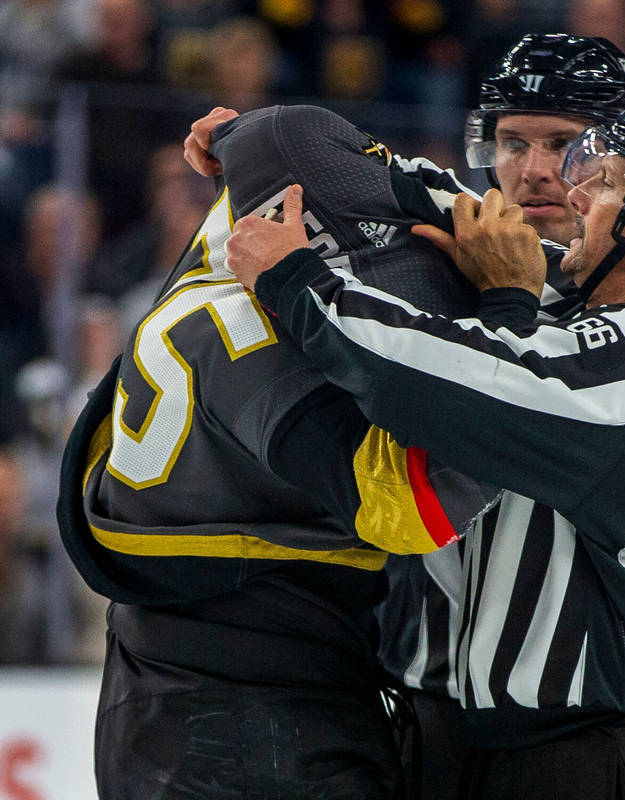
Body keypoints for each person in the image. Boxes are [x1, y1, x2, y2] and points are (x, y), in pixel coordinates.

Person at [225, 93, 625, 800]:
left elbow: (440, 381)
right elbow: (465, 212)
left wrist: (295, 282)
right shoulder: (588, 309)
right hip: (516, 756)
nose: (575, 193)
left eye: (606, 183)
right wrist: (256, 140)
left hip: (614, 763)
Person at [57, 103, 501, 799]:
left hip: (157, 686)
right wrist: (508, 319)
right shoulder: (264, 345)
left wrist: (242, 140)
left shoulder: (228, 236)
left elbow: (281, 168)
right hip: (254, 715)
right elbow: (410, 509)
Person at [378, 32, 625, 799]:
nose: (532, 170)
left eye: (563, 144)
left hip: (593, 731)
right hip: (425, 708)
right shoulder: (426, 274)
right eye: (511, 141)